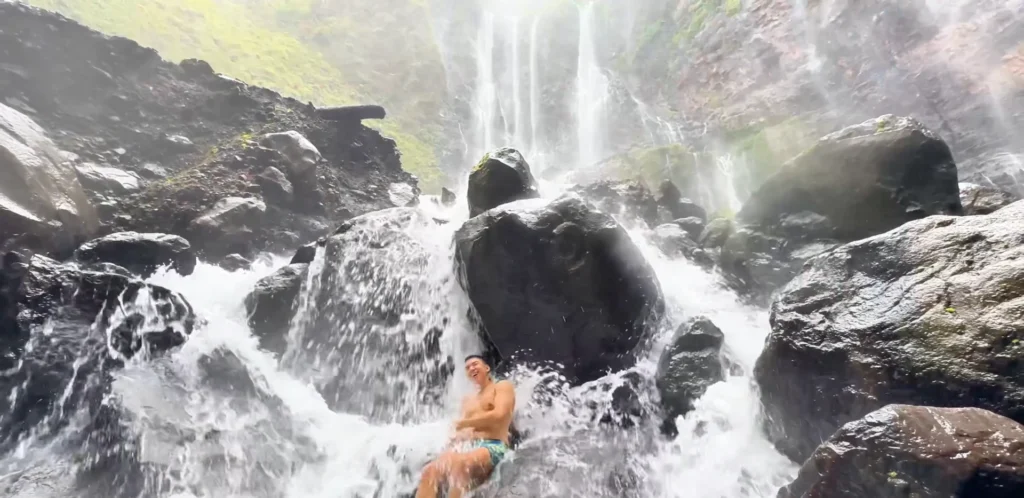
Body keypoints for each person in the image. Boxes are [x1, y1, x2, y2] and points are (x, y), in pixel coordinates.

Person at [415, 354, 516, 498]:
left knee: (461, 465)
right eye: (468, 368)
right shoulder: (468, 400)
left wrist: (465, 423)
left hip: (493, 445)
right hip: (469, 447)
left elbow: (500, 416)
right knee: (430, 471)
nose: (471, 368)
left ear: (486, 368)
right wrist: (454, 440)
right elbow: (464, 431)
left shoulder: (502, 387)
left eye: (475, 364)